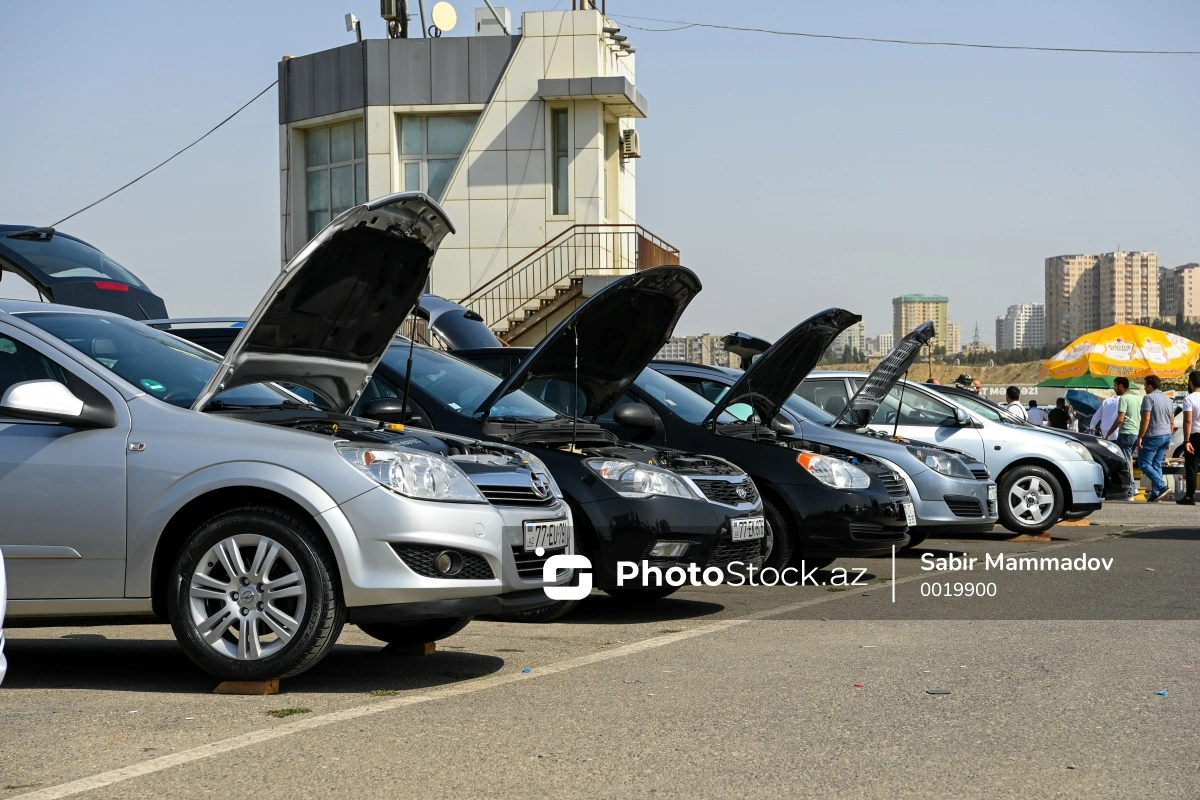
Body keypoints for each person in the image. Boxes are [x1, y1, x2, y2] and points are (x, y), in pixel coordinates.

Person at [1135, 374, 1174, 502]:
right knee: (1156, 464)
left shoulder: (1148, 398)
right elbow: (1171, 421)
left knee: (1144, 464)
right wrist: (1169, 437)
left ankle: (1162, 486)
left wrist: (1140, 436)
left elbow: (1146, 418)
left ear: (1150, 386)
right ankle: (1156, 493)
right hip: (1166, 434)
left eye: (1145, 385)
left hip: (1152, 435)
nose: (1144, 388)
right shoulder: (1168, 400)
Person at [1107, 377, 1140, 499]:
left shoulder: (1124, 398)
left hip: (1126, 433)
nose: (1114, 388)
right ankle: (1132, 487)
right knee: (1128, 461)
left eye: (1115, 386)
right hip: (1136, 433)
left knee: (1125, 463)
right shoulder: (1138, 397)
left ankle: (1131, 489)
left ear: (1121, 386)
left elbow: (1120, 418)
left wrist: (1110, 432)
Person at [1177, 371, 1200, 506]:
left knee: (1192, 466)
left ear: (1191, 383)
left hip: (1195, 435)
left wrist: (1186, 441)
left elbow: (1188, 421)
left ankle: (1189, 496)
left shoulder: (1189, 399)